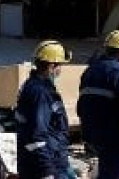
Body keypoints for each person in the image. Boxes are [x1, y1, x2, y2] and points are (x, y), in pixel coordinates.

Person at [77, 30, 119, 179]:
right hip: (114, 139)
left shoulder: (89, 71)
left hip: (95, 137)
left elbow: (81, 107)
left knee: (114, 169)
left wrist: (87, 135)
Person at [15, 40, 75, 179]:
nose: (60, 70)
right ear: (52, 66)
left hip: (50, 160)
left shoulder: (36, 86)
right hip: (46, 164)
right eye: (60, 65)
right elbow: (37, 133)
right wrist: (46, 170)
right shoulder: (40, 93)